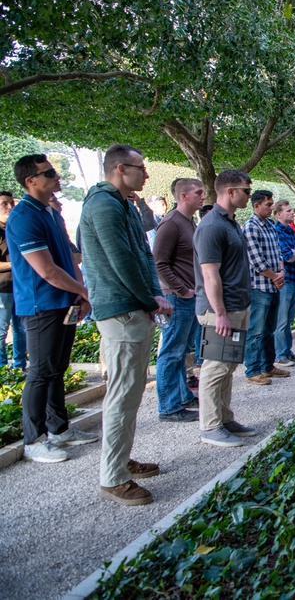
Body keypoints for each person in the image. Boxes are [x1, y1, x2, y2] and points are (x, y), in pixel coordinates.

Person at [79, 145, 171, 504]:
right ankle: (113, 477)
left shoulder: (124, 204)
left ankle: (120, 460)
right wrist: (150, 299)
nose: (147, 175)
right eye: (141, 168)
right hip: (120, 311)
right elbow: (120, 262)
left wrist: (152, 294)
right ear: (120, 168)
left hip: (133, 307)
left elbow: (143, 257)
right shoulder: (103, 205)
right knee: (122, 394)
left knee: (129, 393)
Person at [7, 155, 97, 464]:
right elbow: (46, 270)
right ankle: (34, 439)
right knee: (41, 371)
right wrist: (84, 291)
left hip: (64, 301)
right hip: (41, 304)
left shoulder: (51, 213)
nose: (56, 177)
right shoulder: (23, 217)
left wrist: (80, 294)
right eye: (49, 173)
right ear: (30, 181)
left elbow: (70, 260)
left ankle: (59, 429)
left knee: (57, 369)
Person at [193, 169, 259, 446]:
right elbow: (210, 275)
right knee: (216, 367)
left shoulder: (230, 223)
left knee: (229, 365)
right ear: (230, 191)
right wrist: (219, 313)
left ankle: (224, 418)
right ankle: (210, 426)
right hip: (221, 310)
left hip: (237, 305)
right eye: (246, 190)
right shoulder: (211, 226)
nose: (249, 195)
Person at [152, 178, 205, 423]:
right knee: (171, 352)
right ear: (183, 196)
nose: (203, 196)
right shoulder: (171, 223)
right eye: (198, 192)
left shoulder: (188, 222)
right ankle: (169, 406)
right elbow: (159, 262)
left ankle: (183, 396)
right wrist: (181, 290)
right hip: (177, 298)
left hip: (189, 296)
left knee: (182, 351)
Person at [242, 190, 289, 385]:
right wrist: (275, 276)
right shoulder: (251, 227)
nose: (271, 207)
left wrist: (281, 272)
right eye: (268, 205)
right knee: (256, 330)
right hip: (259, 286)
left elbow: (278, 252)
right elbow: (256, 260)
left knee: (269, 328)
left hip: (274, 284)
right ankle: (252, 370)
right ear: (256, 206)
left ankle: (267, 365)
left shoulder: (270, 226)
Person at [272, 200, 295, 366]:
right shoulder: (276, 231)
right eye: (288, 211)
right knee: (281, 320)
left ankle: (287, 350)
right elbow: (286, 255)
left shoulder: (290, 231)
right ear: (279, 214)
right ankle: (280, 354)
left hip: (294, 280)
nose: (292, 214)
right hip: (284, 281)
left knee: (289, 319)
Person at [0, 190, 27, 370]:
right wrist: (16, 264)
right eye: (4, 204)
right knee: (2, 331)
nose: (10, 207)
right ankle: (2, 370)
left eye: (12, 203)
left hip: (20, 287)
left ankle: (19, 368)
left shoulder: (16, 227)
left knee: (21, 330)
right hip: (3, 289)